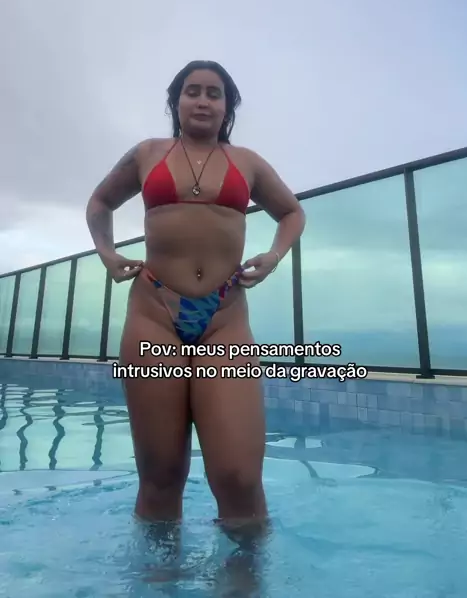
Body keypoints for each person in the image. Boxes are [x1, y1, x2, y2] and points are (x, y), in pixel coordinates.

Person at [85, 60, 306, 529]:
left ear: (227, 107)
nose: (203, 101)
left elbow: (291, 212)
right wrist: (106, 252)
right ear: (176, 102)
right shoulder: (147, 154)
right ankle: (160, 569)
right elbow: (100, 201)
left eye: (213, 93)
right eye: (192, 91)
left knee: (240, 477)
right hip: (153, 315)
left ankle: (243, 570)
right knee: (160, 477)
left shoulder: (247, 162)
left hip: (224, 319)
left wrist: (274, 255)